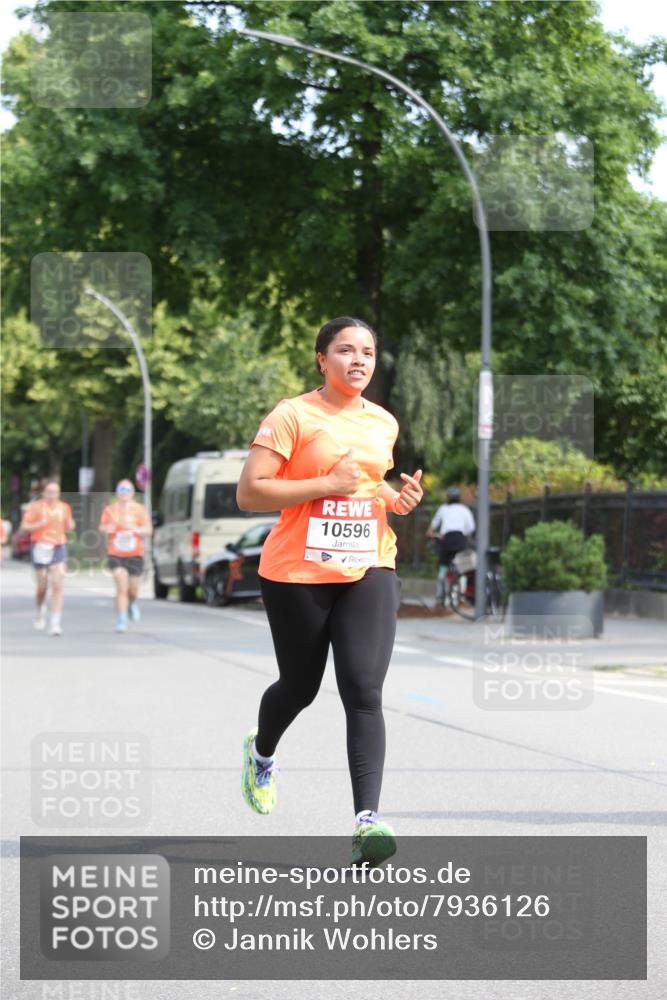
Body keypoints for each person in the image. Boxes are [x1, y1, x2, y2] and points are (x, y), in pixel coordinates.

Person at [236, 316, 423, 867]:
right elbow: (250, 492)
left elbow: (370, 484)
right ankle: (261, 751)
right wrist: (323, 485)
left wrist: (396, 500)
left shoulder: (382, 422)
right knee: (299, 687)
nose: (358, 360)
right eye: (345, 350)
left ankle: (367, 822)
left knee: (363, 688)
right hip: (297, 570)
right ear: (323, 359)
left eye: (367, 351)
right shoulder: (292, 415)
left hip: (369, 563)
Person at [19, 480, 75, 636]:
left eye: (55, 492)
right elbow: (24, 528)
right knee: (42, 585)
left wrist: (71, 525)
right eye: (49, 492)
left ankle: (55, 623)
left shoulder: (64, 507)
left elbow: (70, 524)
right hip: (40, 546)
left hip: (58, 546)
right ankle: (40, 608)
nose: (52, 495)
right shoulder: (36, 507)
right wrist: (39, 523)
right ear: (44, 493)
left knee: (57, 584)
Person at [99, 479, 152, 633]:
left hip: (135, 553)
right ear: (117, 493)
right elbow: (102, 527)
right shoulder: (110, 510)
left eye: (127, 490)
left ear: (132, 493)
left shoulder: (140, 510)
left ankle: (132, 603)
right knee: (121, 587)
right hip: (116, 553)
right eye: (121, 490)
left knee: (133, 589)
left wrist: (135, 529)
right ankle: (121, 619)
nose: (124, 493)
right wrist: (109, 528)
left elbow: (148, 530)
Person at [427, 486, 476, 602]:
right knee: (463, 568)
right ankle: (462, 597)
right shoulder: (465, 509)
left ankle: (439, 597)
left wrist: (431, 533)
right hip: (460, 540)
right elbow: (471, 528)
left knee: (443, 567)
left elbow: (432, 528)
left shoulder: (443, 509)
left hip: (447, 540)